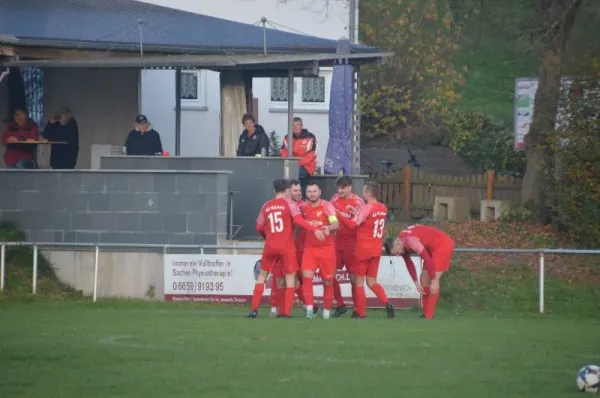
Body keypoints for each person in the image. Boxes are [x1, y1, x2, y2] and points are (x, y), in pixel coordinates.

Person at [249, 179, 325, 318]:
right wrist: (314, 228)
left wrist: (267, 236)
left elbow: (259, 226)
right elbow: (299, 220)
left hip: (270, 246)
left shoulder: (266, 205)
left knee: (262, 277)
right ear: (287, 190)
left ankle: (253, 310)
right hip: (286, 246)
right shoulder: (290, 204)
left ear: (274, 190)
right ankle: (286, 313)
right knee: (291, 279)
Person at [336, 181, 394, 319]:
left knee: (360, 282)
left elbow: (352, 225)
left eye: (364, 191)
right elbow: (370, 221)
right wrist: (357, 212)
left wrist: (338, 215)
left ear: (368, 193)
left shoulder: (366, 207)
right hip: (376, 249)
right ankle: (387, 302)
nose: (363, 194)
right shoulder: (382, 207)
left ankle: (360, 312)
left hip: (363, 249)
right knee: (372, 281)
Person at [384, 224, 455, 320]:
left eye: (396, 252)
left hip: (442, 245)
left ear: (398, 245)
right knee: (423, 280)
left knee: (432, 281)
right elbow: (409, 263)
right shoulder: (401, 241)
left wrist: (434, 280)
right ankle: (425, 313)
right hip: (431, 249)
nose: (397, 255)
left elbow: (428, 260)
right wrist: (416, 282)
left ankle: (428, 316)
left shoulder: (411, 241)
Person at [301, 181, 339, 320]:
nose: (312, 194)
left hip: (327, 250)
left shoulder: (327, 206)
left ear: (320, 192)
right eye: (309, 192)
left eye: (314, 191)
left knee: (328, 282)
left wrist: (328, 228)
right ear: (306, 194)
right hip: (310, 249)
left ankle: (326, 313)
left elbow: (336, 224)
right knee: (307, 278)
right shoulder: (303, 207)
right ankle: (310, 311)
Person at [330, 176, 365, 317]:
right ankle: (340, 305)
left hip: (352, 244)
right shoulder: (334, 199)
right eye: (338, 187)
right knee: (329, 274)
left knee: (353, 277)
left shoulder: (358, 202)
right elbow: (330, 216)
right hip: (336, 242)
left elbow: (364, 223)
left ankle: (357, 308)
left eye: (343, 187)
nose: (340, 190)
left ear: (350, 186)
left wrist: (356, 215)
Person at [280, 117, 317, 195]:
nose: (295, 127)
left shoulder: (310, 137)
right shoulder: (287, 137)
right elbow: (283, 152)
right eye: (293, 125)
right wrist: (293, 161)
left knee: (292, 175)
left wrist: (295, 162)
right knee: (284, 173)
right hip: (292, 165)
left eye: (297, 125)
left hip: (307, 167)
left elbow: (310, 156)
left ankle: (295, 196)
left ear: (302, 126)